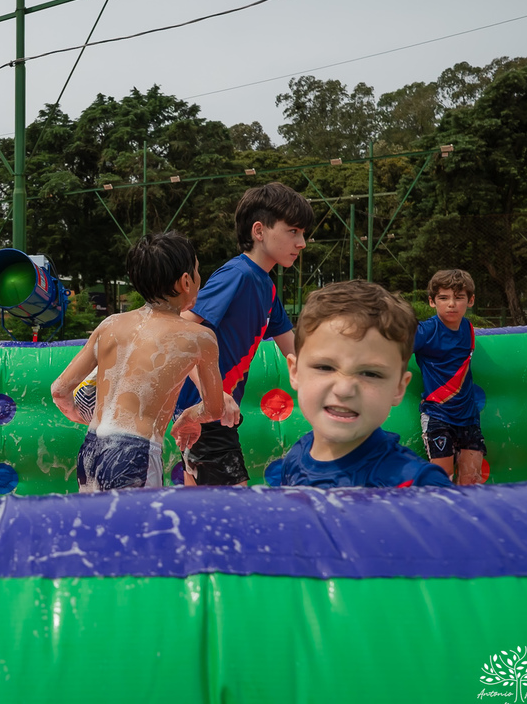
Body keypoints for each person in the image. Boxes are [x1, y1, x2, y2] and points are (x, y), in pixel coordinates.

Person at [50, 232, 231, 492]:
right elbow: (214, 409)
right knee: (138, 531)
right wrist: (189, 418)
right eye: (198, 272)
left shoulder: (109, 325)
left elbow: (59, 391)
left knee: (96, 530)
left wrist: (84, 418)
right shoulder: (199, 337)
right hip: (133, 454)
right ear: (186, 281)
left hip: (91, 449)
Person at [174, 182, 314, 487]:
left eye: (303, 234)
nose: (301, 242)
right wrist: (213, 391)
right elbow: (180, 330)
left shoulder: (267, 286)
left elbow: (294, 351)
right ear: (259, 231)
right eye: (293, 231)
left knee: (200, 505)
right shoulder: (237, 275)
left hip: (216, 412)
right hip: (204, 410)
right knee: (235, 510)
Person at [264, 280, 453, 488]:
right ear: (295, 372)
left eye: (370, 373)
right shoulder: (295, 458)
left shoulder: (418, 485)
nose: (344, 390)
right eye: (325, 367)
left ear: (399, 387)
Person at [413, 269, 487, 485]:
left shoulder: (467, 328)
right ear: (432, 302)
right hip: (438, 416)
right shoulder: (425, 331)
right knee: (442, 480)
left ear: (470, 301)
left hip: (469, 417)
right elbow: (395, 351)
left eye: (459, 297)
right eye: (443, 298)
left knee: (472, 480)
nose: (451, 304)